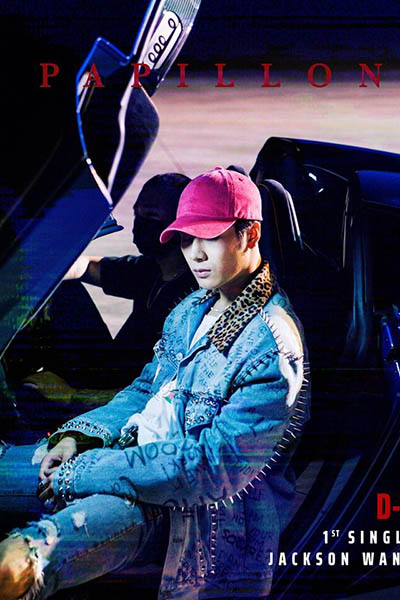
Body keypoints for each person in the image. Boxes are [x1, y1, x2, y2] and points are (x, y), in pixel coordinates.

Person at [0, 167, 310, 600]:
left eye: (209, 238)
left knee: (20, 562)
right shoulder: (193, 308)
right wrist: (79, 437)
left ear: (250, 235)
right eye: (185, 240)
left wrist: (90, 470)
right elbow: (146, 390)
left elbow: (209, 469)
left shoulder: (272, 347)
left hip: (190, 515)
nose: (195, 254)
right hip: (128, 461)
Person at [2, 173, 196, 434]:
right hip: (109, 366)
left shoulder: (190, 301)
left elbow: (156, 393)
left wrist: (70, 395)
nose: (140, 223)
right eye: (137, 213)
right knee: (62, 288)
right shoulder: (152, 270)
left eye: (151, 216)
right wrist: (35, 267)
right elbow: (85, 267)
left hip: (123, 395)